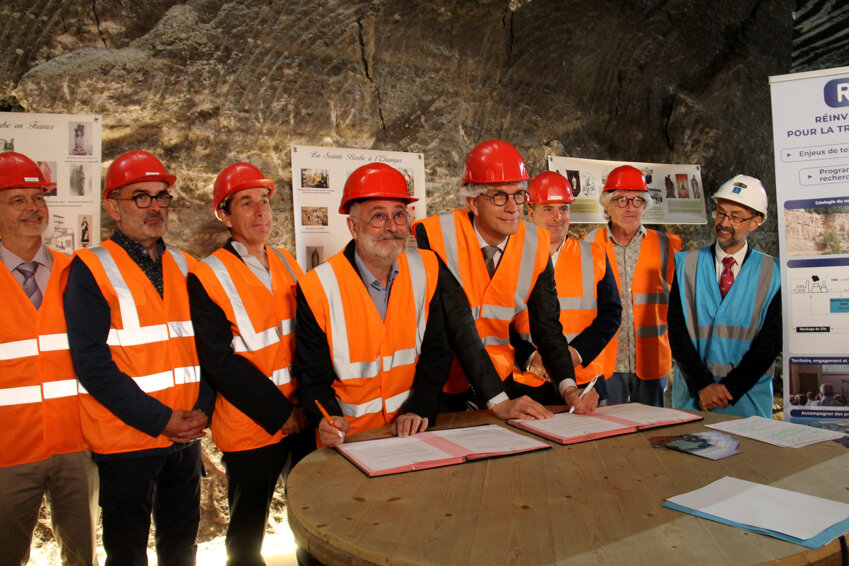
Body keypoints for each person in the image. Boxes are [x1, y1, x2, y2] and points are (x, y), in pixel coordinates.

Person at [64, 150, 214, 566]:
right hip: (126, 441)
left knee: (181, 547)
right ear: (112, 206)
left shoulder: (186, 265)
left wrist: (201, 409)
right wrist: (159, 419)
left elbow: (209, 346)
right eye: (140, 197)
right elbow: (92, 363)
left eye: (161, 196)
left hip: (185, 436)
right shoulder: (90, 268)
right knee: (127, 553)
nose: (154, 207)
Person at [188, 162, 314, 566]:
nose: (261, 211)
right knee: (246, 538)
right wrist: (282, 414)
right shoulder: (207, 275)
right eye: (247, 202)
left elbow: (308, 340)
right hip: (251, 425)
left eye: (264, 201)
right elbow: (219, 362)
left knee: (311, 524)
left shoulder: (288, 264)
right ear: (224, 215)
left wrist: (305, 408)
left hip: (301, 416)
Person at [415, 140, 598, 415]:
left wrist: (568, 387)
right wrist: (499, 402)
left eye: (519, 195)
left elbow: (547, 327)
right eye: (499, 196)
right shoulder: (436, 237)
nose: (513, 207)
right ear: (473, 203)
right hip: (436, 386)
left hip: (498, 379)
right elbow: (459, 325)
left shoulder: (535, 243)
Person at [296, 162, 454, 446]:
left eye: (399, 215)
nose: (391, 227)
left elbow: (437, 352)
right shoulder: (317, 287)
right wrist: (328, 418)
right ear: (353, 226)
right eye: (378, 217)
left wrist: (420, 408)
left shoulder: (427, 268)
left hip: (412, 434)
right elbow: (313, 378)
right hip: (348, 442)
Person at [0, 152, 97, 566]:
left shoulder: (76, 270)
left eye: (38, 198)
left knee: (83, 556)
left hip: (76, 445)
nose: (32, 208)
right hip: (8, 452)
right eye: (17, 199)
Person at [669, 174, 781, 418]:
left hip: (747, 400)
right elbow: (676, 331)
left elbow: (771, 342)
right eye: (720, 212)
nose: (724, 223)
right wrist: (703, 386)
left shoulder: (775, 273)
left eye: (735, 216)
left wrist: (728, 390)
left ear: (756, 222)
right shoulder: (685, 264)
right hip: (693, 397)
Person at [512, 171, 622, 404]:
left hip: (583, 377)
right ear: (530, 213)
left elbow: (611, 314)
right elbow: (495, 321)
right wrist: (530, 357)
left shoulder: (594, 255)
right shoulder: (510, 258)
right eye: (548, 209)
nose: (558, 217)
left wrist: (575, 354)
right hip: (527, 381)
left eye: (564, 209)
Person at [585, 165, 681, 406]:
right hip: (605, 363)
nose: (630, 207)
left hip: (652, 361)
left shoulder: (668, 246)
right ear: (606, 205)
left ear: (645, 205)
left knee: (651, 435)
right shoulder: (588, 244)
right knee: (609, 436)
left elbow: (678, 307)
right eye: (621, 200)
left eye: (637, 200)